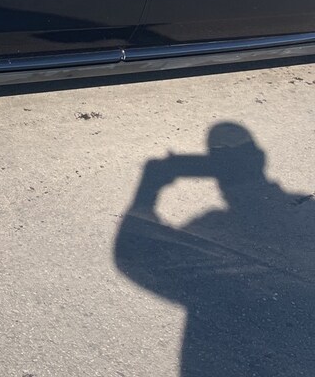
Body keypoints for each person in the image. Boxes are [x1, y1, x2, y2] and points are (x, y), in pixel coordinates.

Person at [114, 121, 315, 376]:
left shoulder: (209, 224)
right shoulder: (308, 212)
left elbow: (133, 257)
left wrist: (148, 187)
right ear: (260, 159)